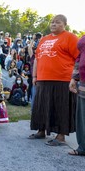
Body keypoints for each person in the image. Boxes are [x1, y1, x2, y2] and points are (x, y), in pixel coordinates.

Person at [29, 14, 79, 145]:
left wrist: (75, 77)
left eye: (57, 22)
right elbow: (37, 58)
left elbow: (79, 58)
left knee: (60, 108)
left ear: (65, 24)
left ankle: (60, 136)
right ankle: (41, 130)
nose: (53, 24)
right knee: (41, 106)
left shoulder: (71, 38)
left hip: (62, 79)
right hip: (43, 78)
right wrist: (34, 76)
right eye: (52, 22)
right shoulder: (44, 39)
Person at [68, 35, 85, 156]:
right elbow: (79, 57)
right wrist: (74, 78)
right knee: (82, 116)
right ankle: (83, 147)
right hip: (83, 82)